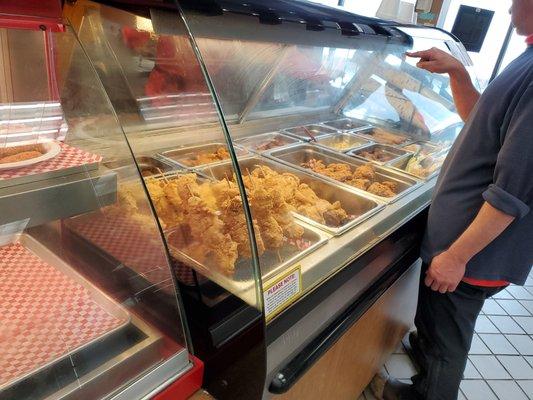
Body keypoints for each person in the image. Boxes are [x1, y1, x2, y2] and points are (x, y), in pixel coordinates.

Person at [371, 0, 533, 399]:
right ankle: (426, 354)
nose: (511, 7)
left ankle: (430, 390)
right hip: (461, 244)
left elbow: (513, 192)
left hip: (475, 254)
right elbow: (481, 120)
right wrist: (458, 73)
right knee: (436, 318)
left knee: (448, 342)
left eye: (518, 0)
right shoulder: (527, 58)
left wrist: (457, 256)